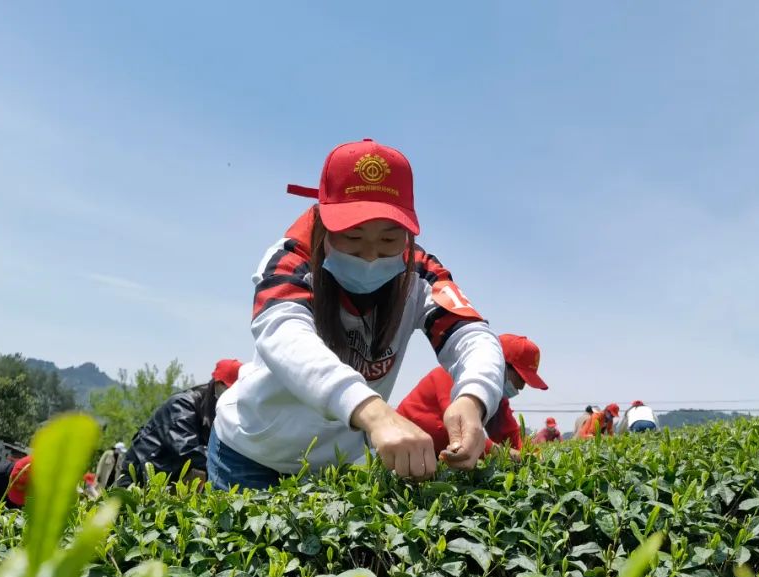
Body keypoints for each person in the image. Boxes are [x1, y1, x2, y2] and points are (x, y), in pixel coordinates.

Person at [209, 139, 505, 490]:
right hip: (252, 454)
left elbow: (472, 335)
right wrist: (374, 412)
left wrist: (473, 399)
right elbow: (284, 334)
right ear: (322, 220)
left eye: (388, 240)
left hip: (336, 465)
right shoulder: (290, 258)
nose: (369, 256)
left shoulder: (420, 272)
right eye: (352, 236)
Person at [397, 333, 548, 459]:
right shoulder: (451, 376)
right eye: (521, 378)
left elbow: (510, 436)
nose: (522, 387)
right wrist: (509, 456)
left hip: (432, 461)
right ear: (500, 364)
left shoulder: (497, 399)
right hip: (399, 450)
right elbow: (464, 433)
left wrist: (534, 457)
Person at [117, 358, 242, 486]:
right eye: (230, 389)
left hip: (168, 480)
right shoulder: (182, 405)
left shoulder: (217, 410)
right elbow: (186, 448)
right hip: (140, 475)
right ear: (218, 383)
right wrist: (230, 462)